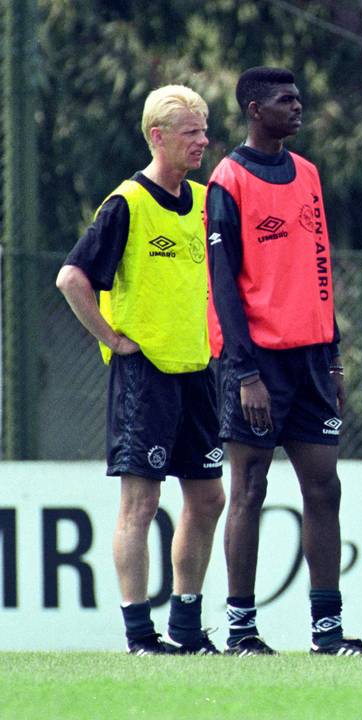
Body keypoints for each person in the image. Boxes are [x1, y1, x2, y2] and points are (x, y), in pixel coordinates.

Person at [205, 66, 362, 656]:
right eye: (284, 100)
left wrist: (334, 358)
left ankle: (327, 632)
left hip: (310, 360)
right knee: (248, 488)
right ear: (254, 109)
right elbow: (223, 285)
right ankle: (242, 630)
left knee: (324, 488)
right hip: (256, 365)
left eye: (299, 97)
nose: (297, 107)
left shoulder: (308, 174)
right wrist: (245, 370)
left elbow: (322, 269)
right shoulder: (228, 180)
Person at [56, 85, 225, 655]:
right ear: (158, 136)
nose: (203, 141)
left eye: (204, 130)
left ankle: (185, 626)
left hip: (198, 371)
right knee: (141, 503)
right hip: (145, 375)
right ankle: (138, 635)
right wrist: (112, 340)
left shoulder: (204, 202)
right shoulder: (126, 202)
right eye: (191, 132)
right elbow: (72, 278)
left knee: (208, 499)